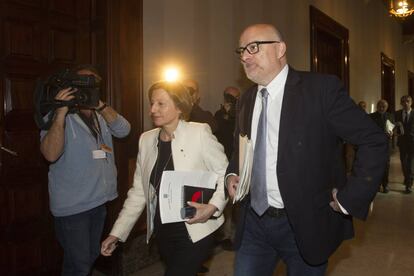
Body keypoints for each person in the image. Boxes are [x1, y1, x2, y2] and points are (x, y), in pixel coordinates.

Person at [225, 24, 387, 275]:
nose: (245, 56)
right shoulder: (246, 100)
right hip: (254, 224)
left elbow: (373, 140)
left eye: (253, 47)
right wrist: (233, 174)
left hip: (305, 222)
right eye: (242, 51)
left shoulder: (320, 90)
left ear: (280, 49)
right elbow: (241, 147)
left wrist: (350, 197)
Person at [101, 81, 228, 276]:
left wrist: (212, 207)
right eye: (152, 103)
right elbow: (138, 192)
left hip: (196, 228)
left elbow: (224, 174)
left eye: (161, 104)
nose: (153, 109)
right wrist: (117, 233)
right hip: (163, 230)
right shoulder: (146, 139)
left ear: (179, 107)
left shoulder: (199, 133)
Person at [39, 65, 131, 276]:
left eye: (92, 85)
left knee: (88, 258)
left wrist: (99, 104)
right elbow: (50, 154)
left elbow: (124, 130)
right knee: (79, 265)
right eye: (81, 84)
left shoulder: (101, 114)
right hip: (74, 207)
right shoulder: (56, 114)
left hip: (99, 200)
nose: (85, 89)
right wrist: (61, 111)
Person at [214, 86, 241, 250]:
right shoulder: (218, 115)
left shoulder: (240, 113)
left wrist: (233, 113)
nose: (229, 100)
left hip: (235, 161)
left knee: (236, 202)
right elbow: (216, 130)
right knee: (223, 199)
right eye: (228, 96)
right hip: (219, 161)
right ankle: (224, 234)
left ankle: (234, 236)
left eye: (233, 97)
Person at [369, 99, 395, 193]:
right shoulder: (371, 116)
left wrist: (392, 134)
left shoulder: (390, 116)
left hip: (386, 146)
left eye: (383, 106)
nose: (381, 108)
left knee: (386, 166)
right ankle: (376, 184)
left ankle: (385, 185)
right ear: (377, 106)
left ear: (387, 107)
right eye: (380, 106)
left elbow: (393, 128)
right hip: (375, 146)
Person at [395, 95, 414, 194]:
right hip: (402, 143)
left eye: (408, 101)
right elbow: (392, 126)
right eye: (403, 101)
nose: (406, 103)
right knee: (403, 162)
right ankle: (408, 178)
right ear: (401, 103)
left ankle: (408, 185)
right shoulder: (397, 113)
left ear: (411, 102)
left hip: (412, 143)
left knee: (410, 164)